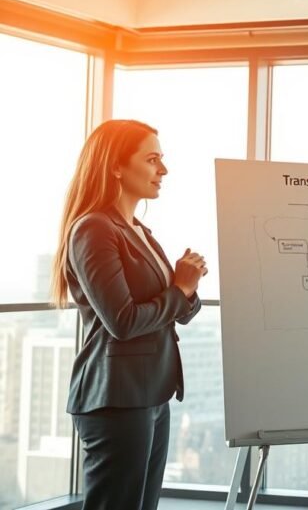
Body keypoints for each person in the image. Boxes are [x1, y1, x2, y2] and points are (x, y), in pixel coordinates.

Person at [51, 119, 207, 510]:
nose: (164, 170)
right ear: (117, 166)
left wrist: (187, 287)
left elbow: (176, 313)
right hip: (116, 398)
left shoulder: (138, 230)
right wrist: (179, 290)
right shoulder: (94, 229)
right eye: (152, 159)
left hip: (152, 394)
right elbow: (122, 322)